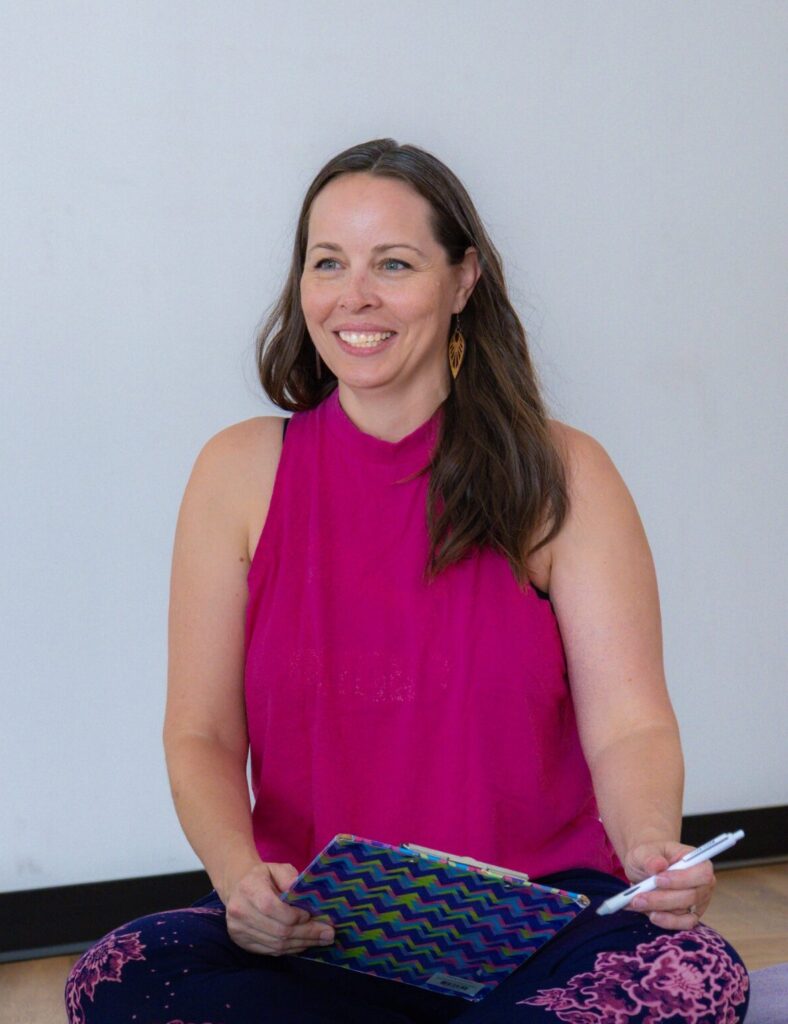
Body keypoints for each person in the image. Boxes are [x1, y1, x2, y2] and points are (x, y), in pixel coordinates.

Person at [65, 139, 749, 1023]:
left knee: (692, 973)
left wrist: (650, 841)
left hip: (539, 921)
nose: (356, 296)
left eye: (394, 263)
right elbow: (199, 732)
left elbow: (630, 723)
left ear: (462, 281)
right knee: (118, 972)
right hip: (321, 927)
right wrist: (241, 883)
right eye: (328, 263)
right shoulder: (236, 472)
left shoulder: (564, 473)